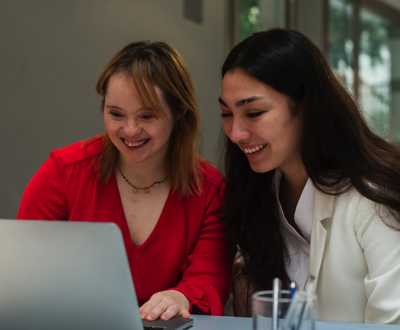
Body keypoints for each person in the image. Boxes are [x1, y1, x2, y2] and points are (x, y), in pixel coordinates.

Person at [17, 41, 232, 321]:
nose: (130, 130)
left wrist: (180, 297)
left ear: (180, 111)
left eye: (147, 115)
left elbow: (209, 277)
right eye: (116, 114)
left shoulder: (210, 190)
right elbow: (24, 267)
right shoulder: (62, 172)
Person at [218, 28, 400, 323]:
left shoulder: (373, 197)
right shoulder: (260, 191)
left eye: (253, 113)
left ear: (306, 107)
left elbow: (393, 322)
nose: (236, 133)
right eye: (227, 113)